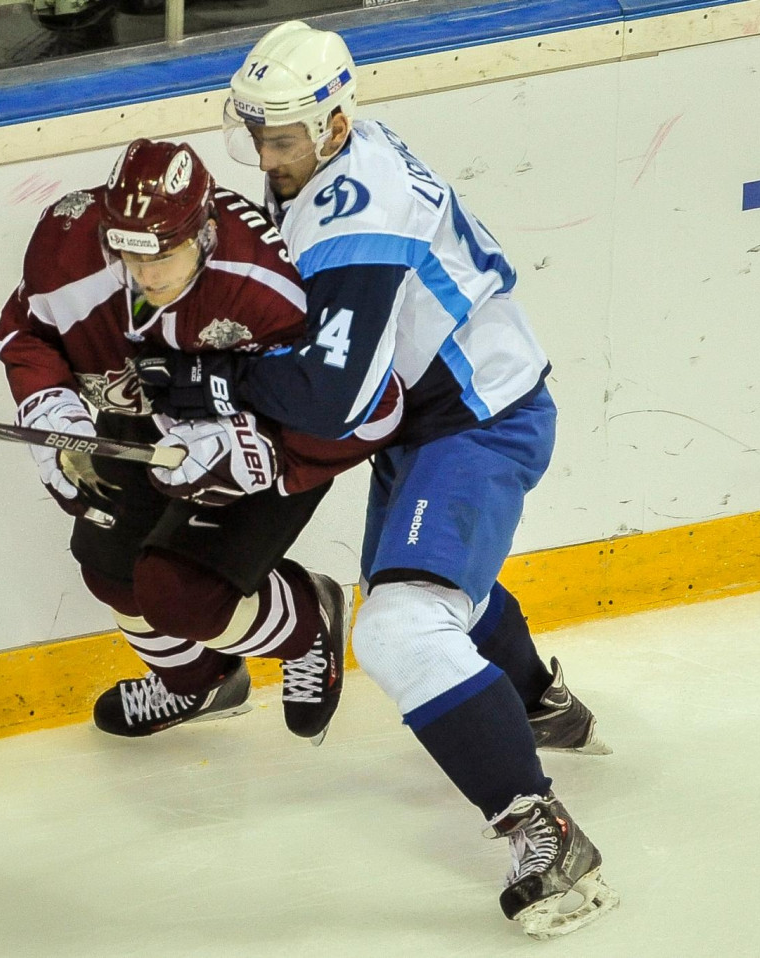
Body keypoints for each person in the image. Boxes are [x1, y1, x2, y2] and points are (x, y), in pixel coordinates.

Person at [135, 21, 617, 940]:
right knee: (420, 595)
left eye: (283, 138)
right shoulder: (326, 159)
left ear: (335, 123)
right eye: (256, 135)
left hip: (479, 420)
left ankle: (546, 834)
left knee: (402, 625)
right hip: (433, 421)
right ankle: (535, 703)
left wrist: (211, 378)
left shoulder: (360, 212)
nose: (266, 157)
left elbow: (329, 399)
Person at [0, 137, 402, 745]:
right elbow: (28, 332)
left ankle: (308, 622)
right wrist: (52, 411)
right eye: (130, 254)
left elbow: (370, 405)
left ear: (206, 232)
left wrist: (268, 458)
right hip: (153, 415)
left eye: (165, 256)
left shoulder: (267, 286)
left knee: (180, 595)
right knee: (110, 570)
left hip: (260, 435)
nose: (147, 276)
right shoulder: (66, 241)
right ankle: (202, 685)